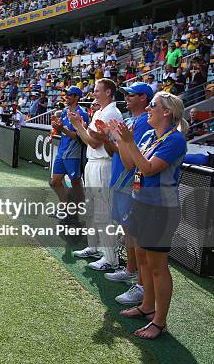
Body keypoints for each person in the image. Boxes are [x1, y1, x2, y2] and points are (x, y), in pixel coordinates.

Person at [110, 92, 188, 340]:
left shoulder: (175, 140)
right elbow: (130, 165)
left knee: (157, 266)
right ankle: (146, 306)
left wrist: (128, 141)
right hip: (140, 203)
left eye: (152, 106)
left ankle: (160, 321)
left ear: (167, 112)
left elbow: (149, 168)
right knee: (143, 258)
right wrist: (122, 140)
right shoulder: (146, 135)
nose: (148, 110)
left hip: (160, 210)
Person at [93, 82, 153, 306]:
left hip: (130, 180)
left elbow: (132, 156)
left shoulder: (145, 121)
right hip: (119, 177)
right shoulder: (128, 120)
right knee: (127, 229)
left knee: (134, 232)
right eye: (126, 94)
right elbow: (116, 150)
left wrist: (116, 139)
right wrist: (108, 138)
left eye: (132, 95)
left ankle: (139, 279)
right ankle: (129, 269)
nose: (126, 97)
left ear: (143, 98)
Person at [69, 78, 123, 271]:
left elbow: (93, 142)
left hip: (103, 164)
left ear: (108, 92)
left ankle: (110, 258)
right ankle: (94, 247)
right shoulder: (101, 111)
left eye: (97, 90)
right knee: (91, 209)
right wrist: (81, 129)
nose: (94, 93)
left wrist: (78, 126)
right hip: (92, 163)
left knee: (103, 213)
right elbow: (89, 140)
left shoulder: (111, 112)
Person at [49, 86, 89, 224]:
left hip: (74, 153)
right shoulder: (65, 111)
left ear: (77, 97)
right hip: (62, 151)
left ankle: (74, 214)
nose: (67, 97)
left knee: (76, 183)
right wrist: (57, 128)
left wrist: (62, 130)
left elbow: (80, 137)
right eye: (66, 95)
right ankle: (65, 207)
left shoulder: (82, 113)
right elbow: (63, 130)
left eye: (70, 95)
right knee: (55, 181)